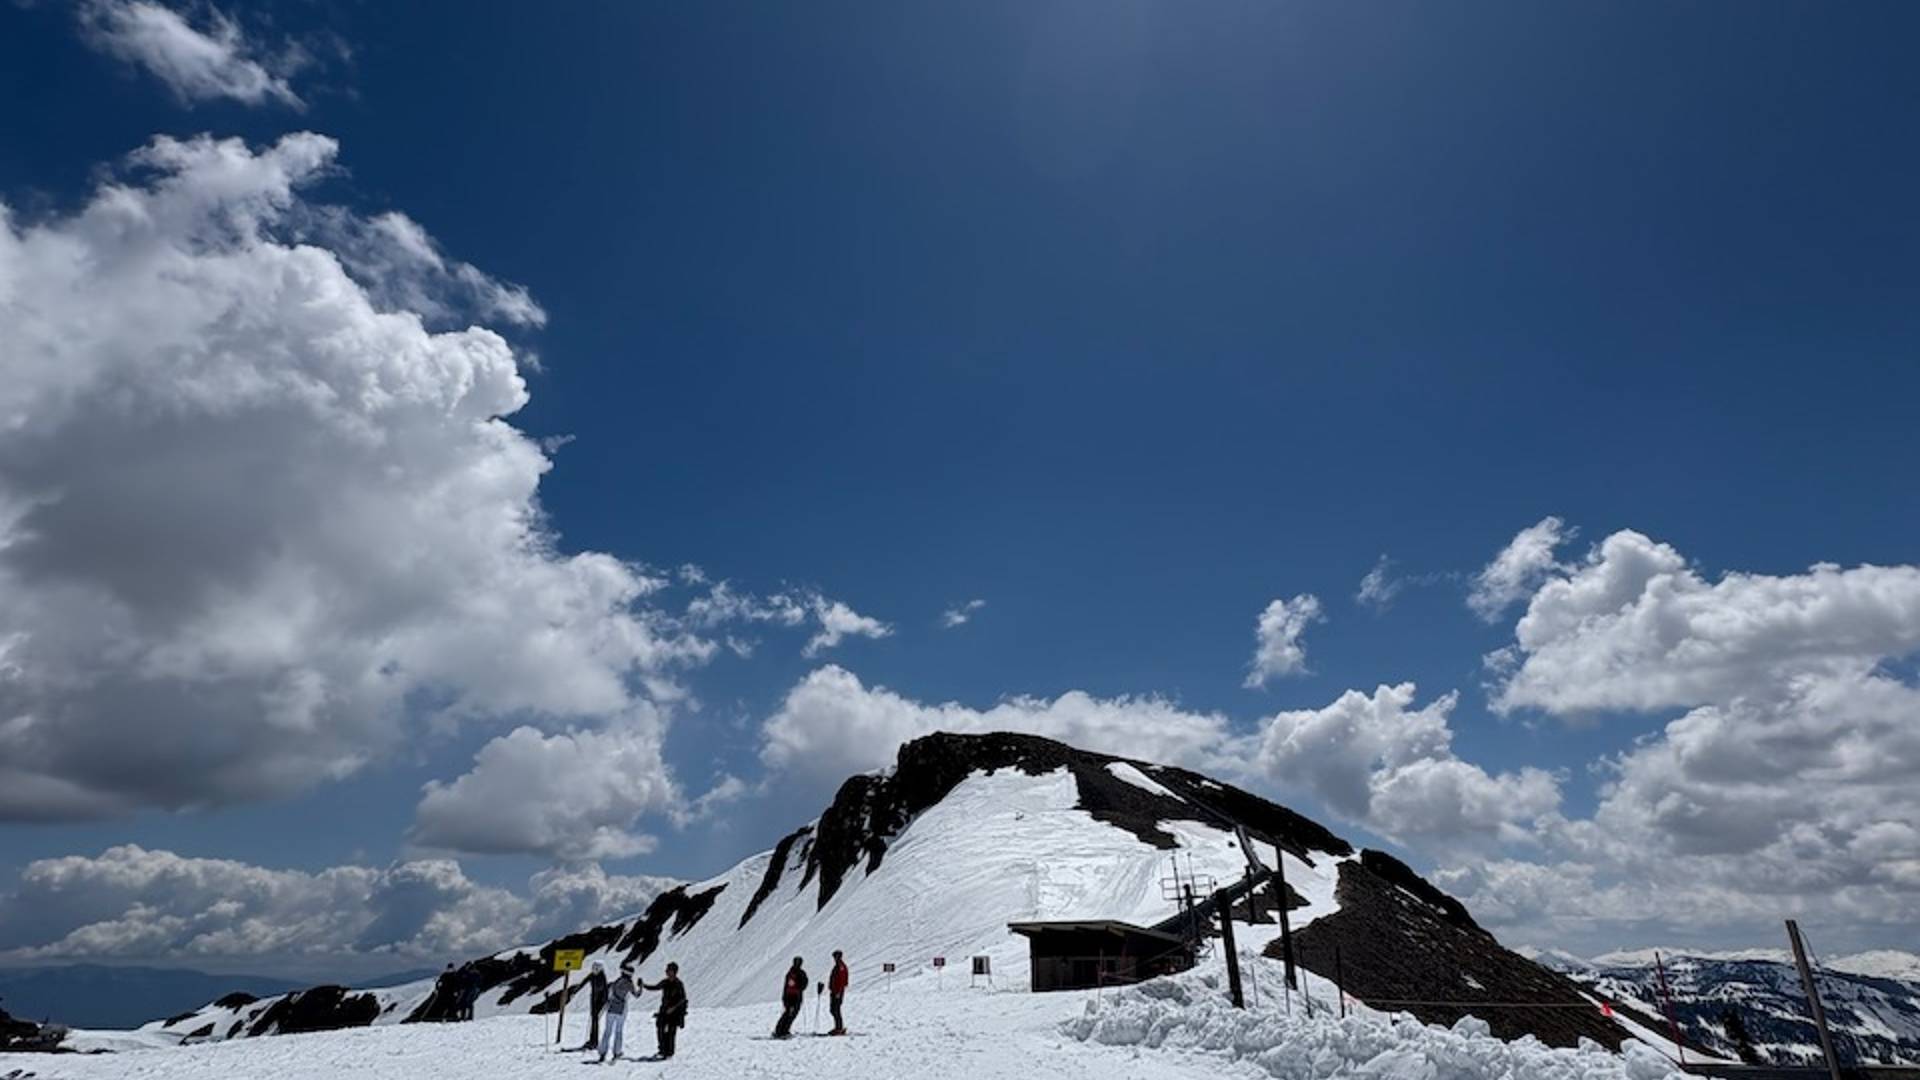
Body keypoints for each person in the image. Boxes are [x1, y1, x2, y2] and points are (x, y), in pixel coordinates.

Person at [645, 961, 687, 1059]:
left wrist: (673, 1008)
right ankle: (662, 1050)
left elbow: (683, 999)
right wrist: (644, 985)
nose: (666, 971)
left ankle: (669, 1052)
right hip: (664, 1010)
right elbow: (655, 987)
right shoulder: (665, 982)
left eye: (668, 970)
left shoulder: (678, 984)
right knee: (660, 1029)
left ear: (674, 972)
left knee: (671, 1032)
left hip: (674, 1013)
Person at [599, 963, 638, 1063]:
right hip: (622, 1009)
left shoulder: (617, 981)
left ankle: (603, 1052)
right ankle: (617, 1052)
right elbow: (637, 995)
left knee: (607, 1030)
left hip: (611, 1007)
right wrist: (641, 987)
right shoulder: (629, 983)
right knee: (618, 1031)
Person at [771, 956, 807, 1039]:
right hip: (795, 996)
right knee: (791, 1014)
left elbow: (787, 985)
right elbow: (803, 984)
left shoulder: (790, 972)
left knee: (788, 1013)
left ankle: (780, 1030)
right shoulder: (799, 973)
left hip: (789, 996)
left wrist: (784, 997)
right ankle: (782, 1031)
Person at [578, 960, 609, 1052]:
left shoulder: (602, 977)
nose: (594, 969)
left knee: (595, 1020)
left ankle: (594, 1041)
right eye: (594, 968)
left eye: (596, 968)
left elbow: (603, 990)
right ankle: (592, 1040)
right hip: (594, 1000)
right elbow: (584, 981)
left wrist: (603, 1002)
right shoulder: (593, 975)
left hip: (599, 1002)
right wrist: (576, 989)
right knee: (594, 1020)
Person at [827, 950, 850, 1036]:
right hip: (835, 991)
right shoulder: (839, 966)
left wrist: (838, 992)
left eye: (835, 956)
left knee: (835, 1009)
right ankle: (838, 1027)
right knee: (834, 1009)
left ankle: (839, 1028)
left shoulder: (840, 966)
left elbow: (842, 980)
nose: (834, 958)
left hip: (837, 992)